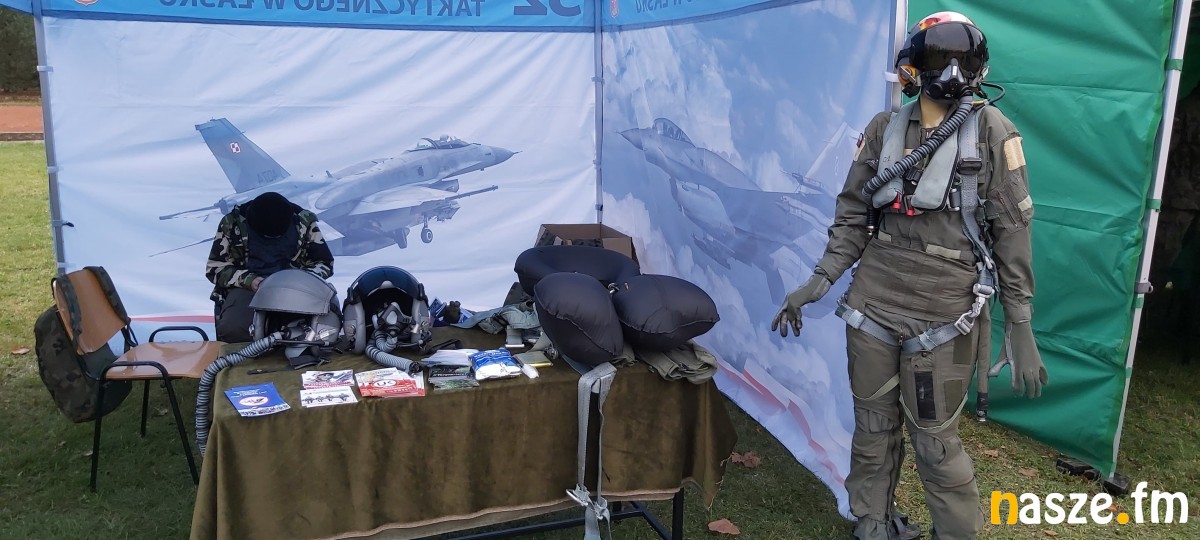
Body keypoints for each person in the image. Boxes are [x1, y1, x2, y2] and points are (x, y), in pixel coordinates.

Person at [771, 12, 1048, 540]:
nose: (951, 70)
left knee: (935, 442)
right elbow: (852, 216)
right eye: (938, 57)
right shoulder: (884, 131)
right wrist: (819, 281)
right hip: (873, 302)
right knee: (872, 428)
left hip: (945, 313)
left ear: (978, 66)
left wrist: (1020, 322)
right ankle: (872, 523)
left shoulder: (992, 132)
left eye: (962, 59)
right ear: (912, 67)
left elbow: (1013, 233)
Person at [206, 191, 334, 342]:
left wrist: (298, 280)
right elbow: (215, 268)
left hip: (295, 289)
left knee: (316, 330)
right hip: (248, 288)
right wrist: (249, 280)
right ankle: (242, 356)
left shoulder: (304, 222)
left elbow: (324, 263)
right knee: (234, 329)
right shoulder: (232, 223)